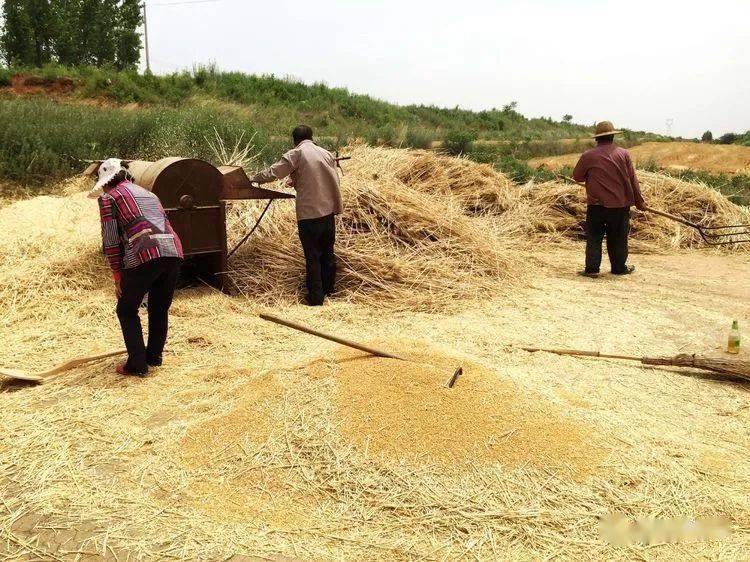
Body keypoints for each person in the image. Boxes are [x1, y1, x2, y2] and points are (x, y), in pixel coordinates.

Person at [89, 158, 183, 376]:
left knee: (126, 309)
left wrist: (117, 273)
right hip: (173, 250)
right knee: (159, 307)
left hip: (144, 252)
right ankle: (154, 357)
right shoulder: (149, 194)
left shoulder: (109, 198)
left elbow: (111, 239)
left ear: (106, 181)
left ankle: (137, 365)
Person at [251, 125, 343, 305]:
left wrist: (254, 178)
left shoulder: (297, 153)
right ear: (311, 136)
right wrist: (296, 179)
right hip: (328, 212)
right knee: (327, 253)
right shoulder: (325, 153)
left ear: (295, 140)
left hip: (309, 214)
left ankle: (316, 298)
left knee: (313, 256)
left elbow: (274, 172)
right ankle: (329, 291)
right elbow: (318, 176)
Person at [572, 121, 647, 277]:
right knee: (618, 237)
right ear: (613, 136)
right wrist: (639, 200)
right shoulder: (623, 154)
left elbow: (577, 177)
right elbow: (632, 179)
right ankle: (619, 268)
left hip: (596, 205)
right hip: (620, 205)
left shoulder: (588, 156)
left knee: (594, 237)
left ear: (597, 139)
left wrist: (591, 175)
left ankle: (592, 270)